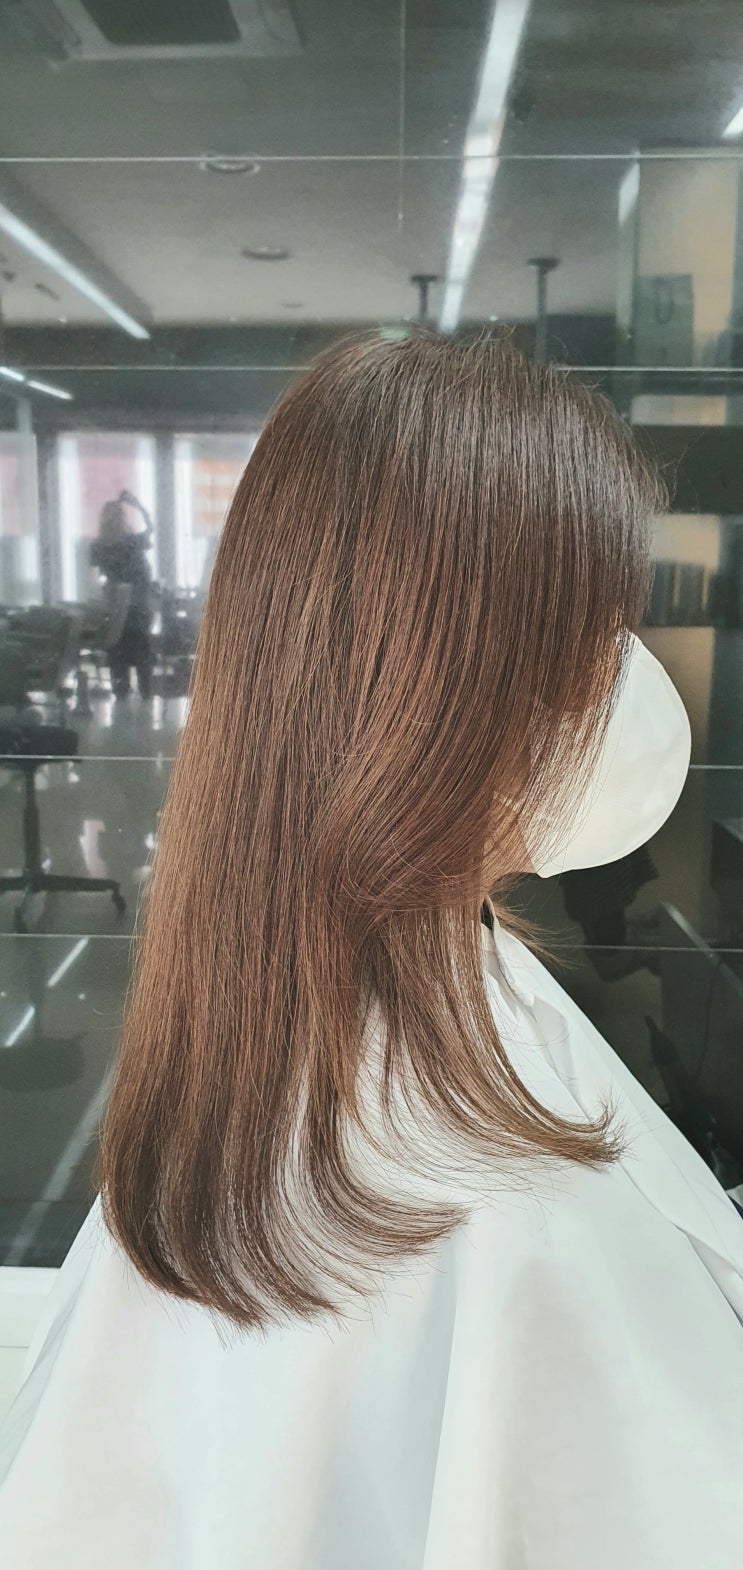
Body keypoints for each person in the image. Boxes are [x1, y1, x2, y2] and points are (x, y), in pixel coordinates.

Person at [1, 331, 741, 1570]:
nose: (630, 685)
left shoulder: (305, 1021)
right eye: (597, 637)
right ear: (445, 692)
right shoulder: (481, 1208)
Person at [89, 489, 155, 698]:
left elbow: (150, 529)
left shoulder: (120, 543)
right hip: (124, 603)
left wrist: (138, 506)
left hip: (131, 603)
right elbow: (150, 529)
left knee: (128, 646)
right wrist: (138, 506)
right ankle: (131, 689)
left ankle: (131, 689)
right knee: (126, 646)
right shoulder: (114, 544)